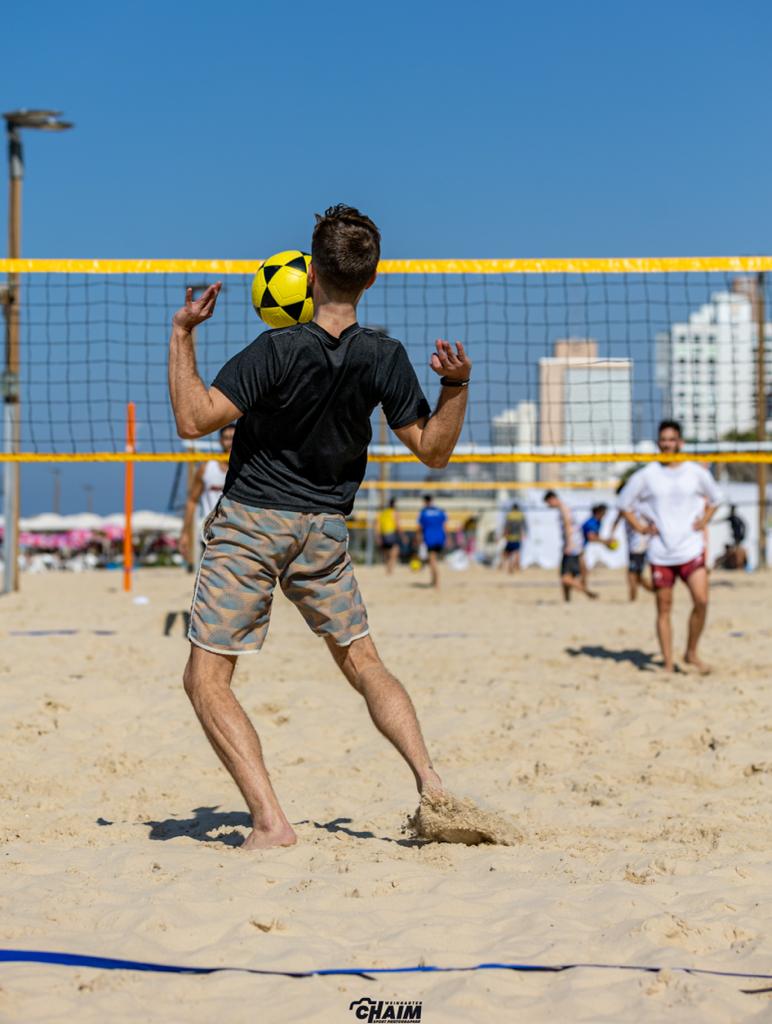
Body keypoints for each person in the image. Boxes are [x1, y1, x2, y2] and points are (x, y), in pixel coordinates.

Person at [168, 205, 472, 850]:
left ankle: (273, 823)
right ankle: (433, 786)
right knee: (364, 662)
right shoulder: (383, 356)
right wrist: (456, 387)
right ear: (373, 275)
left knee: (205, 679)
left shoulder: (276, 349)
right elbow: (434, 452)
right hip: (325, 531)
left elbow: (195, 420)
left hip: (252, 524)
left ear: (308, 275)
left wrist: (183, 335)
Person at [618, 420, 721, 674]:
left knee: (702, 600)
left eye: (671, 439)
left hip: (690, 548)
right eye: (663, 439)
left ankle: (691, 652)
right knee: (664, 608)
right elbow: (623, 503)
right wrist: (641, 528)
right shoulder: (647, 474)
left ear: (680, 443)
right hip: (661, 552)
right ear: (658, 443)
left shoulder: (696, 472)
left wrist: (705, 520)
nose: (667, 444)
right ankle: (666, 663)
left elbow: (716, 499)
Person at [179, 423, 234, 564]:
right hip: (211, 532)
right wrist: (184, 533)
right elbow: (192, 500)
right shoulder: (207, 468)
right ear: (221, 441)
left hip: (237, 531)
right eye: (227, 438)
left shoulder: (248, 468)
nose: (230, 442)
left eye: (233, 438)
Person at [543, 491, 598, 600]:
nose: (548, 506)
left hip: (572, 546)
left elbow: (568, 527)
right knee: (566, 575)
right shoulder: (565, 508)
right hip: (574, 545)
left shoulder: (564, 509)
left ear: (552, 499)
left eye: (548, 503)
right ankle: (567, 600)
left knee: (565, 578)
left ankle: (587, 592)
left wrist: (569, 544)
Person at [610, 476, 653, 601]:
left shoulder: (632, 503)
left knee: (632, 573)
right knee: (637, 574)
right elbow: (618, 519)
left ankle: (633, 598)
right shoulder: (638, 502)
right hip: (638, 542)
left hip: (638, 542)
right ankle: (650, 591)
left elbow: (619, 518)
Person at [417, 494, 447, 588]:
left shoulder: (424, 512)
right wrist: (446, 537)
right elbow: (444, 525)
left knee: (432, 560)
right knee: (434, 560)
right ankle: (433, 581)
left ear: (425, 501)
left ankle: (436, 581)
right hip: (440, 537)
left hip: (430, 538)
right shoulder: (439, 511)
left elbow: (420, 527)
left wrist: (418, 538)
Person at [376, 497, 404, 574]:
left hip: (383, 534)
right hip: (391, 534)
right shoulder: (394, 512)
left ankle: (387, 569)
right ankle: (390, 570)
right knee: (395, 552)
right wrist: (403, 536)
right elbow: (398, 526)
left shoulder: (383, 513)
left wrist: (378, 537)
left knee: (386, 553)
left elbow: (378, 526)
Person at [499, 501, 526, 573]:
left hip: (510, 537)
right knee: (517, 552)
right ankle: (516, 565)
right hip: (517, 536)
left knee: (508, 552)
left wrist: (504, 534)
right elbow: (523, 526)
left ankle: (506, 565)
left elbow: (506, 526)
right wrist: (523, 534)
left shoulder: (509, 515)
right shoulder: (521, 515)